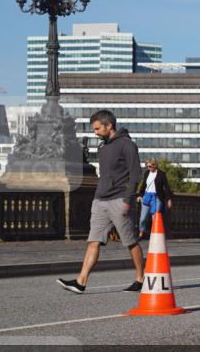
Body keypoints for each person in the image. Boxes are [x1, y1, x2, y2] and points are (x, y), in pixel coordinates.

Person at [58, 110, 144, 294]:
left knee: (130, 241)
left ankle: (140, 277)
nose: (95, 132)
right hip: (100, 200)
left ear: (109, 125)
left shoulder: (127, 145)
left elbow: (136, 174)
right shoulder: (102, 147)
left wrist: (128, 200)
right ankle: (81, 281)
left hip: (120, 199)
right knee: (93, 241)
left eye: (97, 128)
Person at [138, 159, 173, 239]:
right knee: (143, 218)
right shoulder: (147, 173)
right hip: (147, 196)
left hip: (157, 197)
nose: (148, 168)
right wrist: (140, 195)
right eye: (147, 166)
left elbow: (166, 187)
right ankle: (141, 232)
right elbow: (143, 184)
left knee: (155, 217)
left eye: (149, 166)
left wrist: (169, 199)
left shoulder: (161, 174)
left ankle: (155, 234)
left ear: (154, 165)